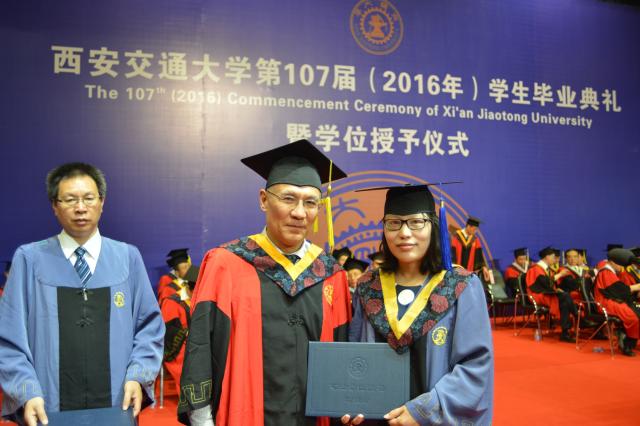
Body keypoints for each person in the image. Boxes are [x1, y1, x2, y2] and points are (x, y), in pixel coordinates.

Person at [178, 140, 352, 426]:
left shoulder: (332, 274)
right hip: (244, 415)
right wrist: (202, 419)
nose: (300, 213)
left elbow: (343, 358)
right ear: (263, 200)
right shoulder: (226, 264)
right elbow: (200, 347)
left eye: (310, 202)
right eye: (288, 198)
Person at [0, 162, 164, 425]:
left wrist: (138, 375)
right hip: (47, 407)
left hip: (117, 405)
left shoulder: (127, 258)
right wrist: (26, 391)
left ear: (102, 202)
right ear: (54, 206)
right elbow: (8, 338)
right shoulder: (29, 260)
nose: (80, 208)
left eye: (88, 198)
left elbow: (150, 328)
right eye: (69, 200)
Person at [347, 184, 494, 425]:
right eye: (394, 223)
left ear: (433, 226)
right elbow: (351, 357)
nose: (404, 233)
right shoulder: (367, 287)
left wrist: (424, 411)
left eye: (416, 222)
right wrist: (347, 403)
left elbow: (475, 366)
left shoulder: (460, 286)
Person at [525, 247, 577, 342]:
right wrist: (560, 275)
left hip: (546, 294)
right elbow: (545, 284)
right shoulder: (536, 269)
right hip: (537, 295)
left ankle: (565, 332)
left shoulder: (545, 269)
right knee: (564, 297)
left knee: (564, 298)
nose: (555, 259)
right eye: (553, 257)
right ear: (547, 257)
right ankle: (576, 318)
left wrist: (556, 289)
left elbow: (549, 285)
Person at [594, 248, 640, 356]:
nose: (622, 267)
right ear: (612, 262)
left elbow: (619, 291)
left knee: (637, 309)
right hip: (606, 303)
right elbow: (618, 291)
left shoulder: (611, 271)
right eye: (620, 265)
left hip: (614, 300)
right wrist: (636, 287)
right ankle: (627, 343)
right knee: (632, 316)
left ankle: (627, 338)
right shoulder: (605, 272)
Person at [161, 264, 199, 394]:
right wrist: (188, 333)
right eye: (194, 293)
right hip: (178, 349)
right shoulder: (172, 302)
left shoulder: (201, 300)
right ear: (188, 287)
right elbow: (169, 332)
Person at [450, 216, 490, 281]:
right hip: (457, 273)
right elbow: (452, 253)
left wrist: (484, 267)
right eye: (474, 229)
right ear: (468, 226)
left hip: (469, 273)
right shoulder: (456, 237)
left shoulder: (475, 240)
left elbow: (479, 255)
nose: (475, 231)